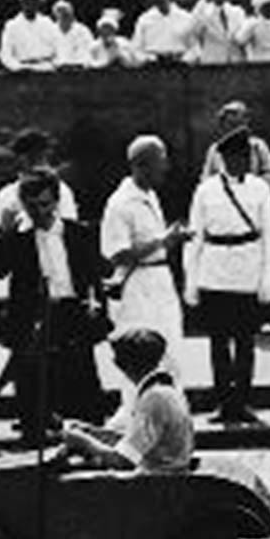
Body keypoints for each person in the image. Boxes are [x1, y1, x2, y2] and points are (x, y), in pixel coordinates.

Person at [45, 327, 195, 539]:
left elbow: (123, 460)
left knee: (72, 491)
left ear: (124, 365)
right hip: (164, 475)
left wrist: (81, 441)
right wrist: (93, 431)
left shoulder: (153, 400)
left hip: (154, 484)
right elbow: (135, 439)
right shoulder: (164, 390)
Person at [0, 168, 107, 445]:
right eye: (32, 206)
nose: (39, 212)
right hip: (35, 316)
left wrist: (97, 310)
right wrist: (2, 234)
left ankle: (86, 443)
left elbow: (94, 275)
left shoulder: (78, 233)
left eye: (45, 204)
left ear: (56, 201)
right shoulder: (18, 239)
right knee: (34, 389)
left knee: (82, 386)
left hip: (72, 312)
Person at [184, 126, 270, 426]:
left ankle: (243, 402)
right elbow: (195, 236)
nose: (238, 162)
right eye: (231, 157)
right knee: (218, 343)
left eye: (243, 157)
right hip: (214, 272)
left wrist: (268, 279)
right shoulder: (206, 191)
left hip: (247, 269)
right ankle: (224, 402)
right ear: (221, 159)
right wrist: (191, 280)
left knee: (245, 343)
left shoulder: (260, 190)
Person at [100, 135, 184, 378]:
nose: (166, 167)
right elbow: (118, 255)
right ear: (141, 165)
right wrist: (162, 241)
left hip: (161, 282)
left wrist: (171, 239)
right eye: (161, 161)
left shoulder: (150, 196)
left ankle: (168, 410)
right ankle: (137, 411)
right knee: (140, 355)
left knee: (171, 350)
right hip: (137, 288)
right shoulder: (120, 204)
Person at [202, 102, 270, 196]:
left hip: (253, 198)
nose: (234, 129)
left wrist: (253, 187)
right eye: (230, 123)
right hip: (224, 199)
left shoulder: (257, 146)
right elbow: (206, 178)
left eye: (237, 123)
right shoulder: (215, 149)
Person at [131, 0, 193, 66]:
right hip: (153, 67)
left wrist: (184, 60)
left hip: (180, 67)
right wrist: (148, 59)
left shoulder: (186, 18)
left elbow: (194, 47)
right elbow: (136, 48)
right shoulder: (144, 19)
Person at [0, 0, 61, 72]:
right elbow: (5, 54)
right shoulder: (12, 26)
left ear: (39, 4)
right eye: (27, 1)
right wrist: (17, 67)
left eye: (34, 1)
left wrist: (54, 65)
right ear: (21, 3)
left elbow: (59, 49)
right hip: (21, 72)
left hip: (46, 70)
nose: (30, 4)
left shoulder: (48, 24)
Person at [186, 0, 245, 66]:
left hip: (235, 62)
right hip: (212, 63)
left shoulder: (237, 12)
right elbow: (192, 31)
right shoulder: (203, 14)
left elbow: (241, 37)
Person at [50, 0, 94, 69]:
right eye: (59, 11)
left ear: (71, 13)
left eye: (65, 11)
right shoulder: (50, 31)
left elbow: (89, 51)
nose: (63, 13)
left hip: (79, 70)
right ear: (55, 14)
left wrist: (80, 64)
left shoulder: (83, 31)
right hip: (56, 71)